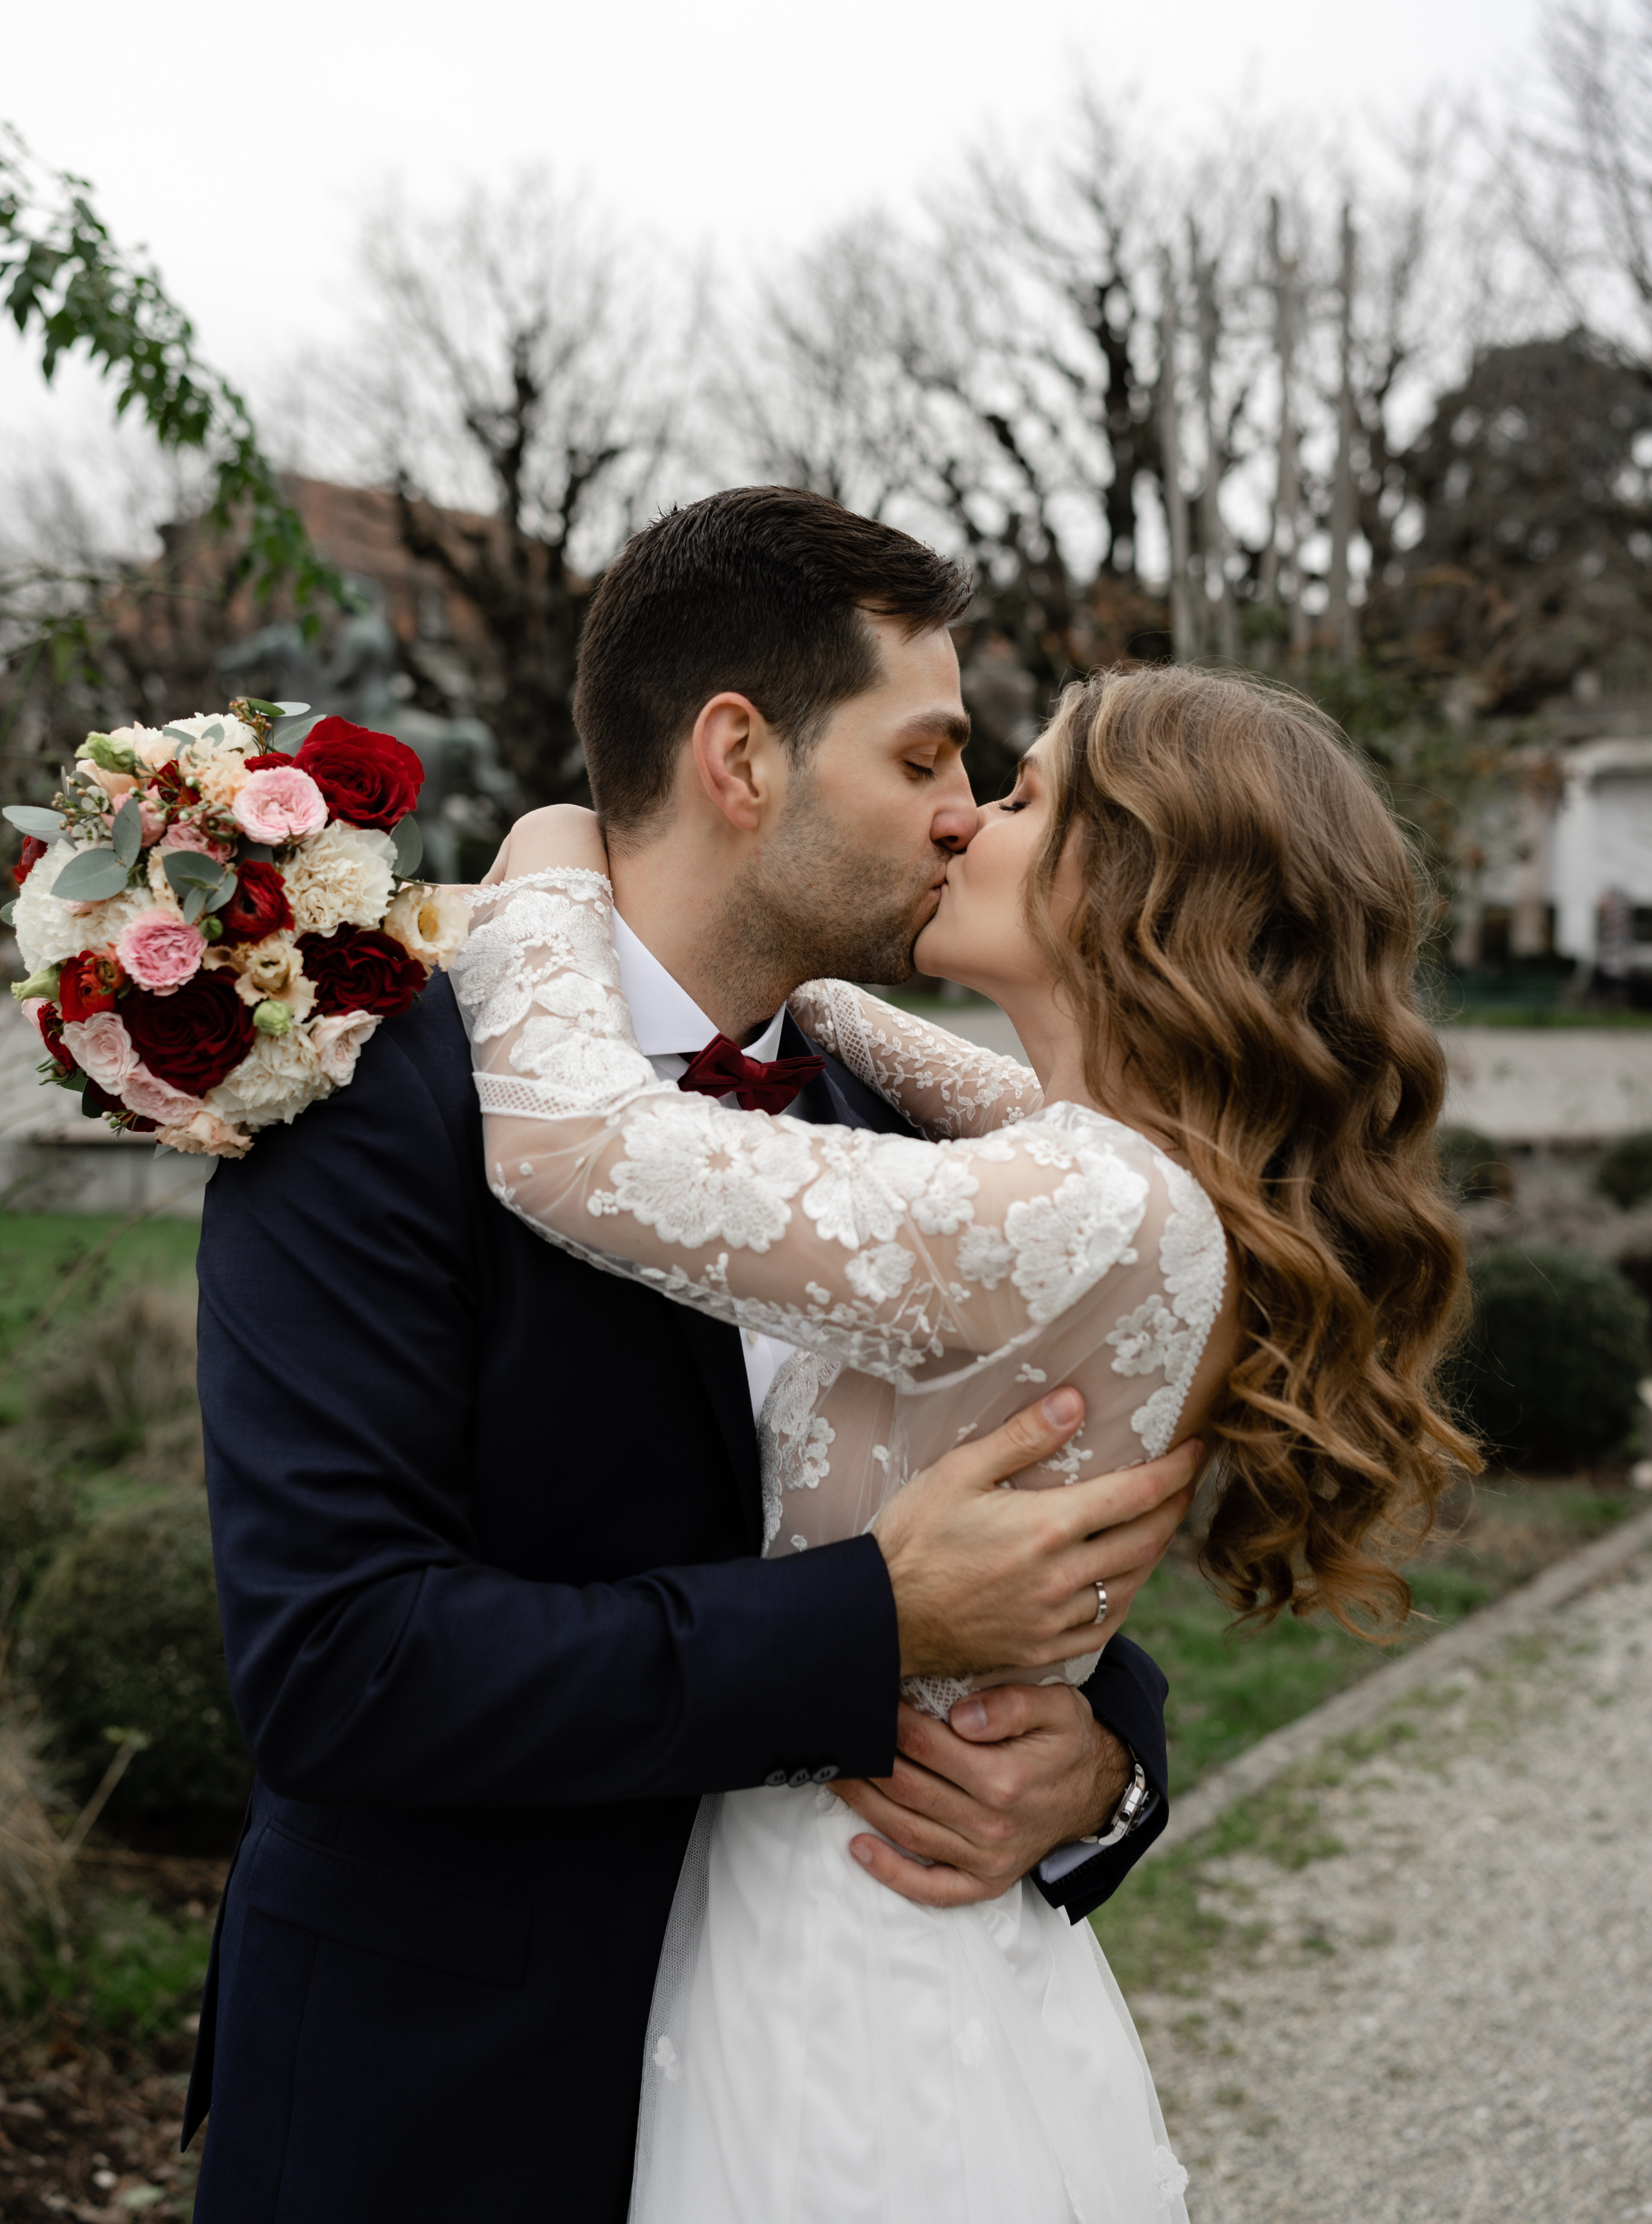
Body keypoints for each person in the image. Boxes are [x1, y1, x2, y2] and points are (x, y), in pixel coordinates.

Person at [186, 489, 1196, 2224]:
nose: (965, 817)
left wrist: (1103, 1767)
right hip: (445, 2115)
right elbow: (338, 1661)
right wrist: (875, 1627)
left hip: (835, 2098)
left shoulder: (904, 1127)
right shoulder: (372, 1095)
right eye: (926, 757)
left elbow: (1005, 1549)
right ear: (742, 757)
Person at [465, 627, 1474, 2221]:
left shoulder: (1088, 1203)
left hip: (839, 1935)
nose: (960, 822)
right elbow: (900, 1055)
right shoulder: (1140, 1169)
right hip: (894, 1895)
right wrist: (786, 969)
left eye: (1014, 799)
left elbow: (574, 1148)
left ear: (1126, 886)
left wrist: (543, 862)